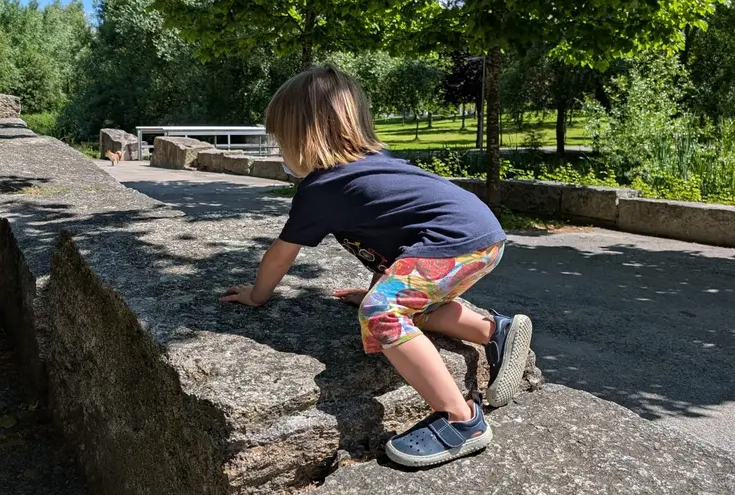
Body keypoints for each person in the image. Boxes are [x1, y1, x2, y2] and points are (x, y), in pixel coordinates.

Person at [219, 65, 533, 467]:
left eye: (281, 140)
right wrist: (378, 285)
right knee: (407, 304)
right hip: (480, 235)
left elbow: (281, 253)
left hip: (452, 242)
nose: (280, 151)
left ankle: (461, 420)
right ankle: (495, 331)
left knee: (382, 312)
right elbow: (392, 237)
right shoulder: (372, 163)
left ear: (302, 139)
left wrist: (257, 295)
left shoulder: (322, 188)